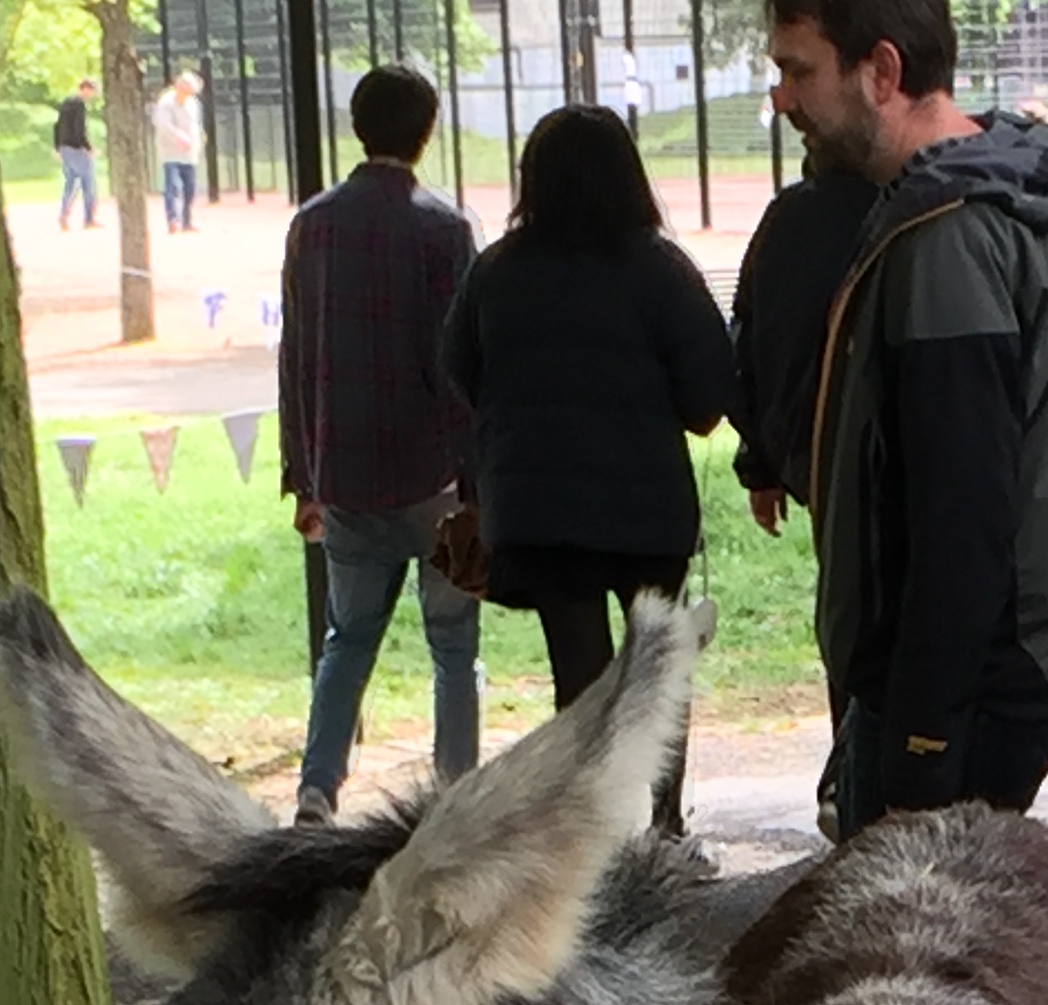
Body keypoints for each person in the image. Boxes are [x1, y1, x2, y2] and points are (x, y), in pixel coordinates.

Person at [769, 0, 1048, 836]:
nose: (782, 98)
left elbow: (962, 511)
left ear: (882, 71)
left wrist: (922, 747)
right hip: (1001, 665)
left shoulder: (951, 235)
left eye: (798, 70)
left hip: (969, 687)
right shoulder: (1006, 193)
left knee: (905, 917)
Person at [443, 107, 734, 829]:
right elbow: (708, 396)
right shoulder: (661, 270)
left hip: (539, 516)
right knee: (657, 670)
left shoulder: (496, 272)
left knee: (579, 682)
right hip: (648, 512)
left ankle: (594, 840)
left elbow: (458, 370)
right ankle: (662, 832)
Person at [280, 65, 480, 825]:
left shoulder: (312, 226)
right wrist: (476, 481)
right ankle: (452, 795)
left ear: (355, 126)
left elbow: (297, 357)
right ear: (427, 132)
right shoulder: (445, 229)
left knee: (347, 640)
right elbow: (460, 367)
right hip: (434, 477)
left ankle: (316, 790)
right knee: (453, 647)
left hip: (346, 473)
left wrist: (302, 475)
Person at [730, 148, 877, 531]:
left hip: (808, 451)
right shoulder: (907, 209)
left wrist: (759, 465)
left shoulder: (787, 214)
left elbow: (747, 341)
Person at [153, 71, 203, 234]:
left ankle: (187, 221)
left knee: (190, 189)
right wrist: (179, 137)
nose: (188, 95)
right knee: (173, 187)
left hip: (189, 154)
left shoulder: (193, 104)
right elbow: (163, 124)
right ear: (178, 87)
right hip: (170, 153)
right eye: (186, 90)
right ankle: (173, 220)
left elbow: (195, 125)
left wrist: (195, 141)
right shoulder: (166, 102)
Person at [52, 78, 100, 230]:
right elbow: (79, 129)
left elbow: (57, 126)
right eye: (92, 92)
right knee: (88, 183)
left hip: (65, 148)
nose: (92, 96)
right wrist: (88, 147)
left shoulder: (66, 103)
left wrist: (58, 146)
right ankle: (89, 219)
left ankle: (64, 215)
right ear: (86, 89)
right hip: (76, 148)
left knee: (70, 184)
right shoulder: (79, 105)